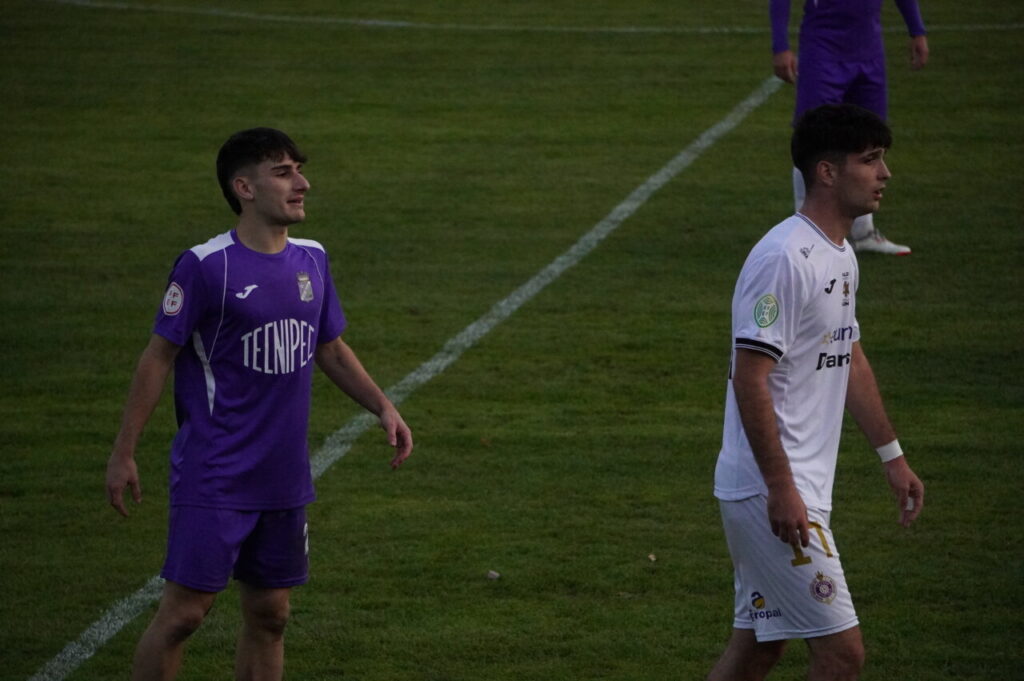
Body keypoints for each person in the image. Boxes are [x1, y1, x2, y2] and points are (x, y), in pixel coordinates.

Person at [105, 127, 413, 681]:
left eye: (299, 169)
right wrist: (124, 451)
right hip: (216, 472)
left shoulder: (313, 260)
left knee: (271, 615)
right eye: (284, 173)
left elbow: (331, 348)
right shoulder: (205, 266)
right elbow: (157, 358)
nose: (303, 184)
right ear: (243, 187)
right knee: (183, 616)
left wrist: (382, 406)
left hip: (283, 476)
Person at [707, 104, 924, 681]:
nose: (885, 174)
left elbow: (848, 356)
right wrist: (781, 489)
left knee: (757, 647)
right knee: (841, 654)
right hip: (770, 492)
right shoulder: (783, 258)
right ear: (827, 172)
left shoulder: (841, 255)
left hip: (795, 487)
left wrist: (892, 458)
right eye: (871, 160)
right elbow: (748, 376)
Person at [770, 0, 930, 255]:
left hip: (868, 46)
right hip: (823, 44)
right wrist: (780, 45)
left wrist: (917, 29)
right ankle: (804, 234)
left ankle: (863, 233)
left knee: (869, 135)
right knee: (815, 137)